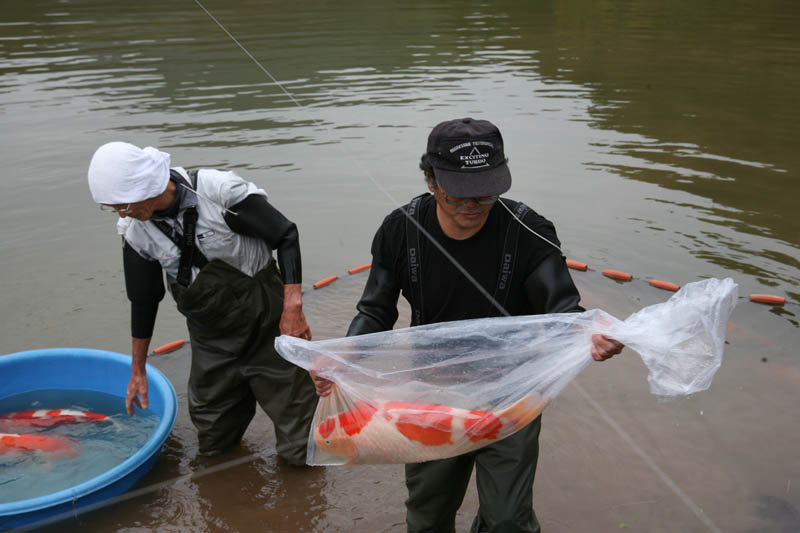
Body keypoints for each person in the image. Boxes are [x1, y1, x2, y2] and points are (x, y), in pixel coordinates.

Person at [311, 118, 624, 532]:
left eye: (486, 190)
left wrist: (593, 334)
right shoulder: (399, 229)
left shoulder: (529, 231)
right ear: (431, 180)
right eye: (459, 192)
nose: (472, 204)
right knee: (428, 515)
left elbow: (563, 309)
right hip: (430, 397)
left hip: (513, 396)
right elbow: (376, 311)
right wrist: (344, 356)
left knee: (508, 520)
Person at [87, 141, 317, 464]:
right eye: (113, 208)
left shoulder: (220, 192)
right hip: (211, 338)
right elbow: (143, 300)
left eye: (123, 205)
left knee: (301, 441)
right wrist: (137, 368)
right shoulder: (135, 232)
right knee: (212, 437)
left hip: (268, 324)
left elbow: (286, 235)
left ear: (144, 186)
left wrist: (293, 307)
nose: (122, 214)